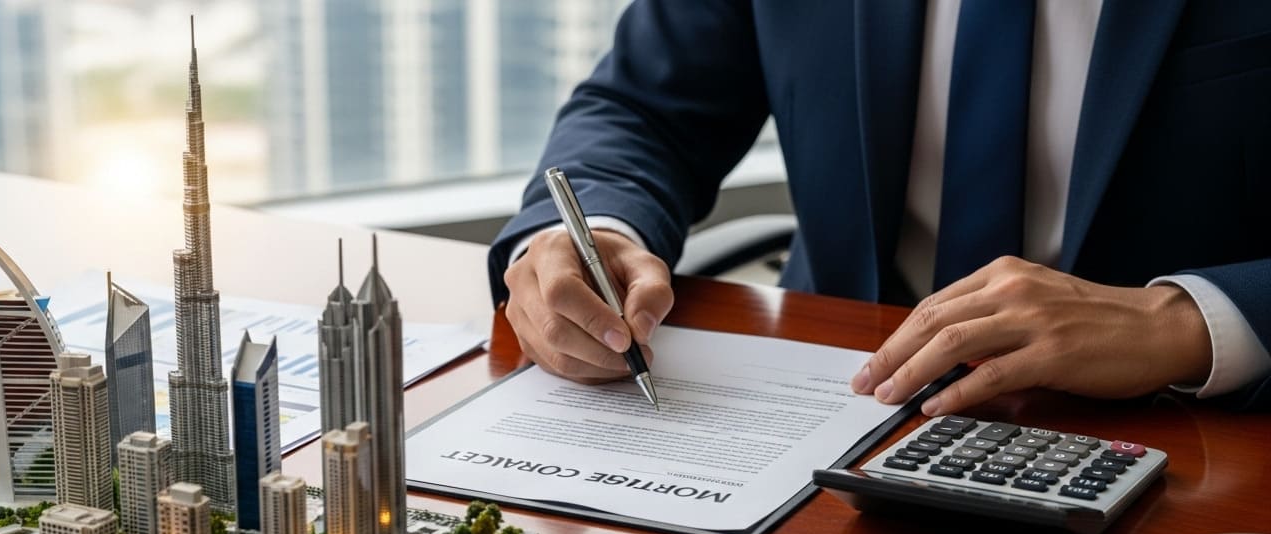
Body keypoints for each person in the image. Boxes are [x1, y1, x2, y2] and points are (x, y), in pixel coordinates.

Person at [487, 0, 1271, 413]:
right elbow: (642, 108)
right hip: (837, 403)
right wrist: (584, 232)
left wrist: (1182, 324)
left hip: (1175, 432)